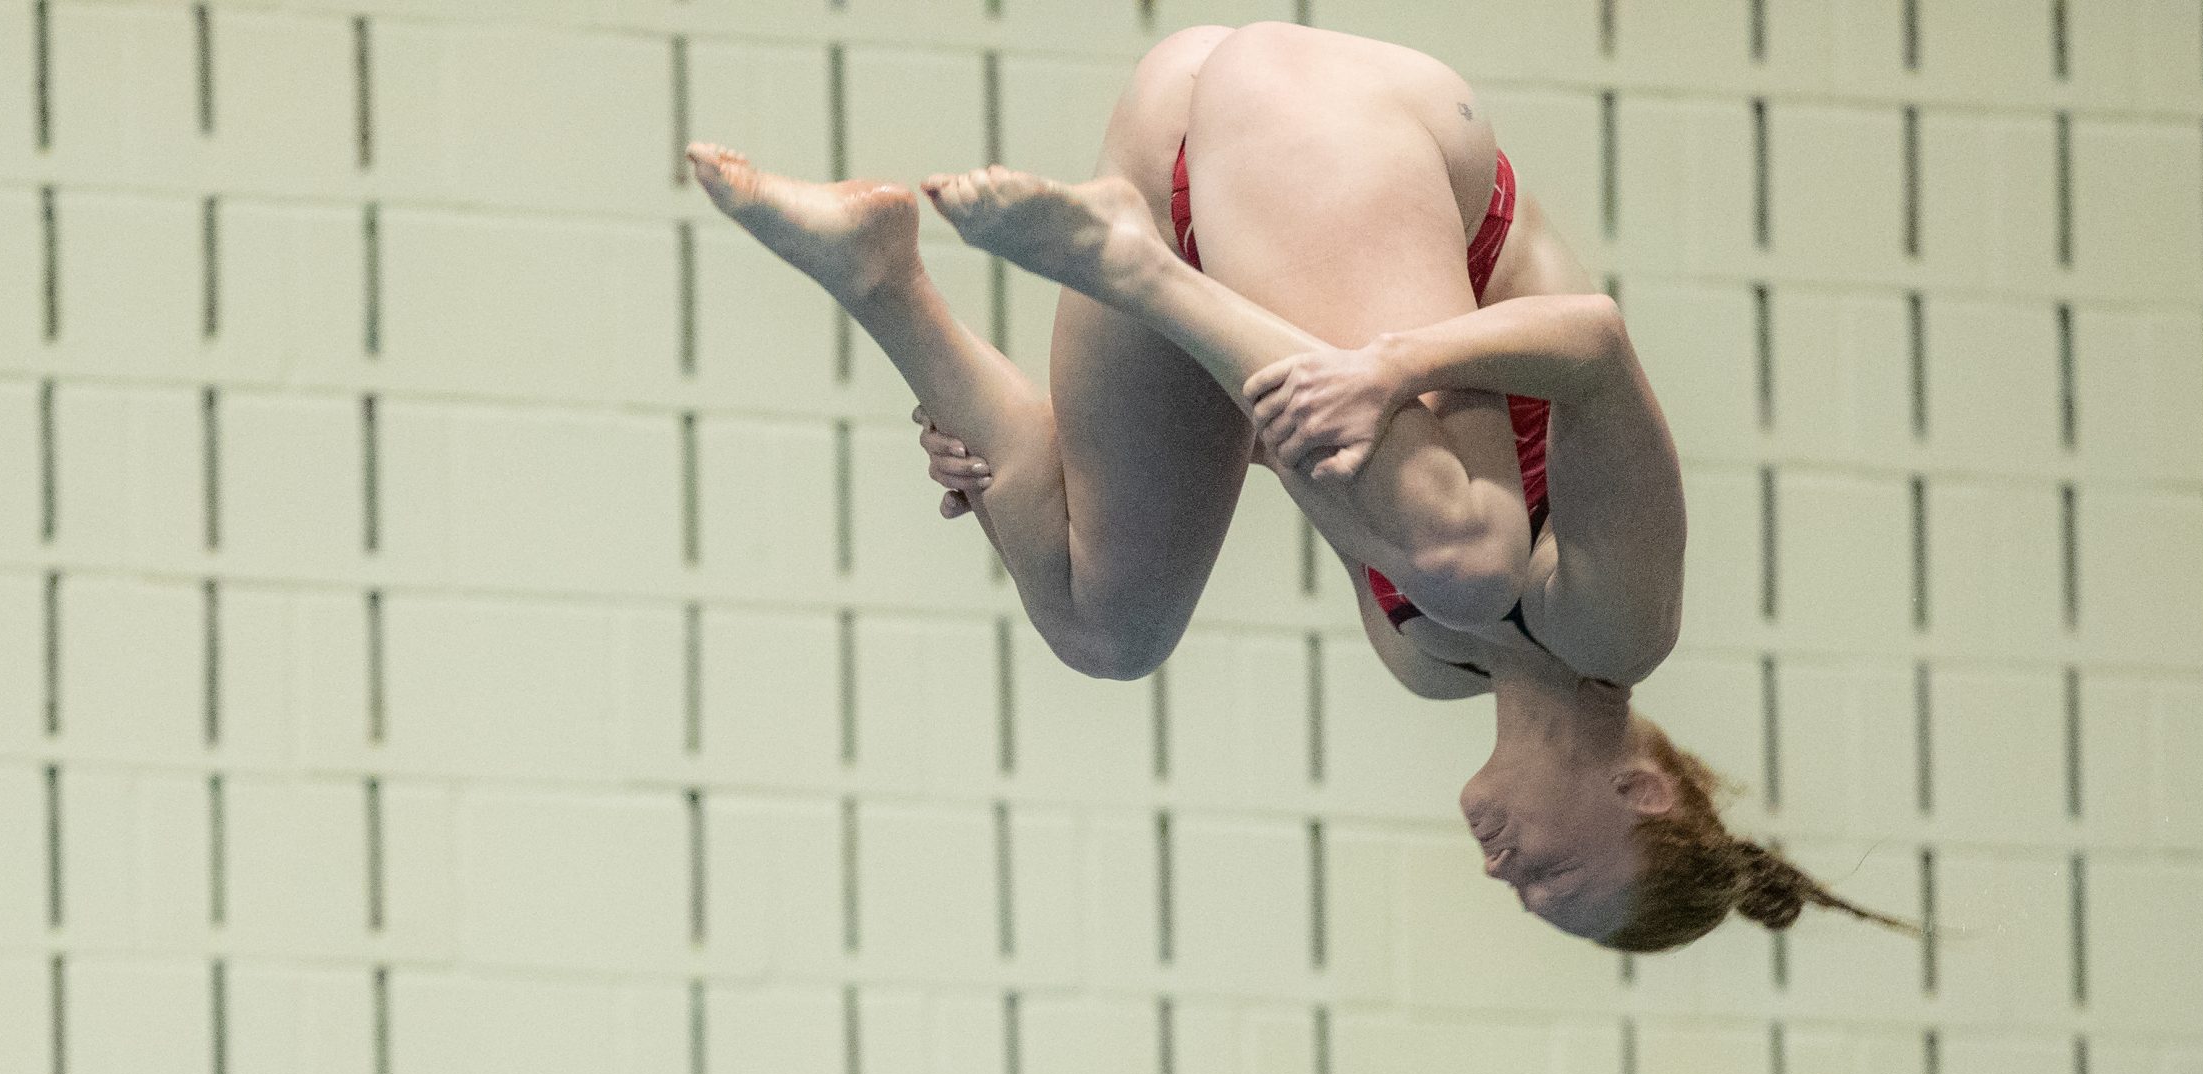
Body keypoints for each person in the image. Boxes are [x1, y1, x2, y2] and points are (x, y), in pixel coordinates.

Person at [687, 21, 1911, 951]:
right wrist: (1401, 363)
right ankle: (1125, 260)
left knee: (1105, 622)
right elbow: (1589, 344)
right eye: (1555, 878)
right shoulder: (1619, 622)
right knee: (1475, 558)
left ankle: (879, 275)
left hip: (1200, 181)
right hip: (1330, 123)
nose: (1504, 873)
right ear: (1639, 791)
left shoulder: (1424, 660)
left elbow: (1279, 430)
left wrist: (1028, 468)